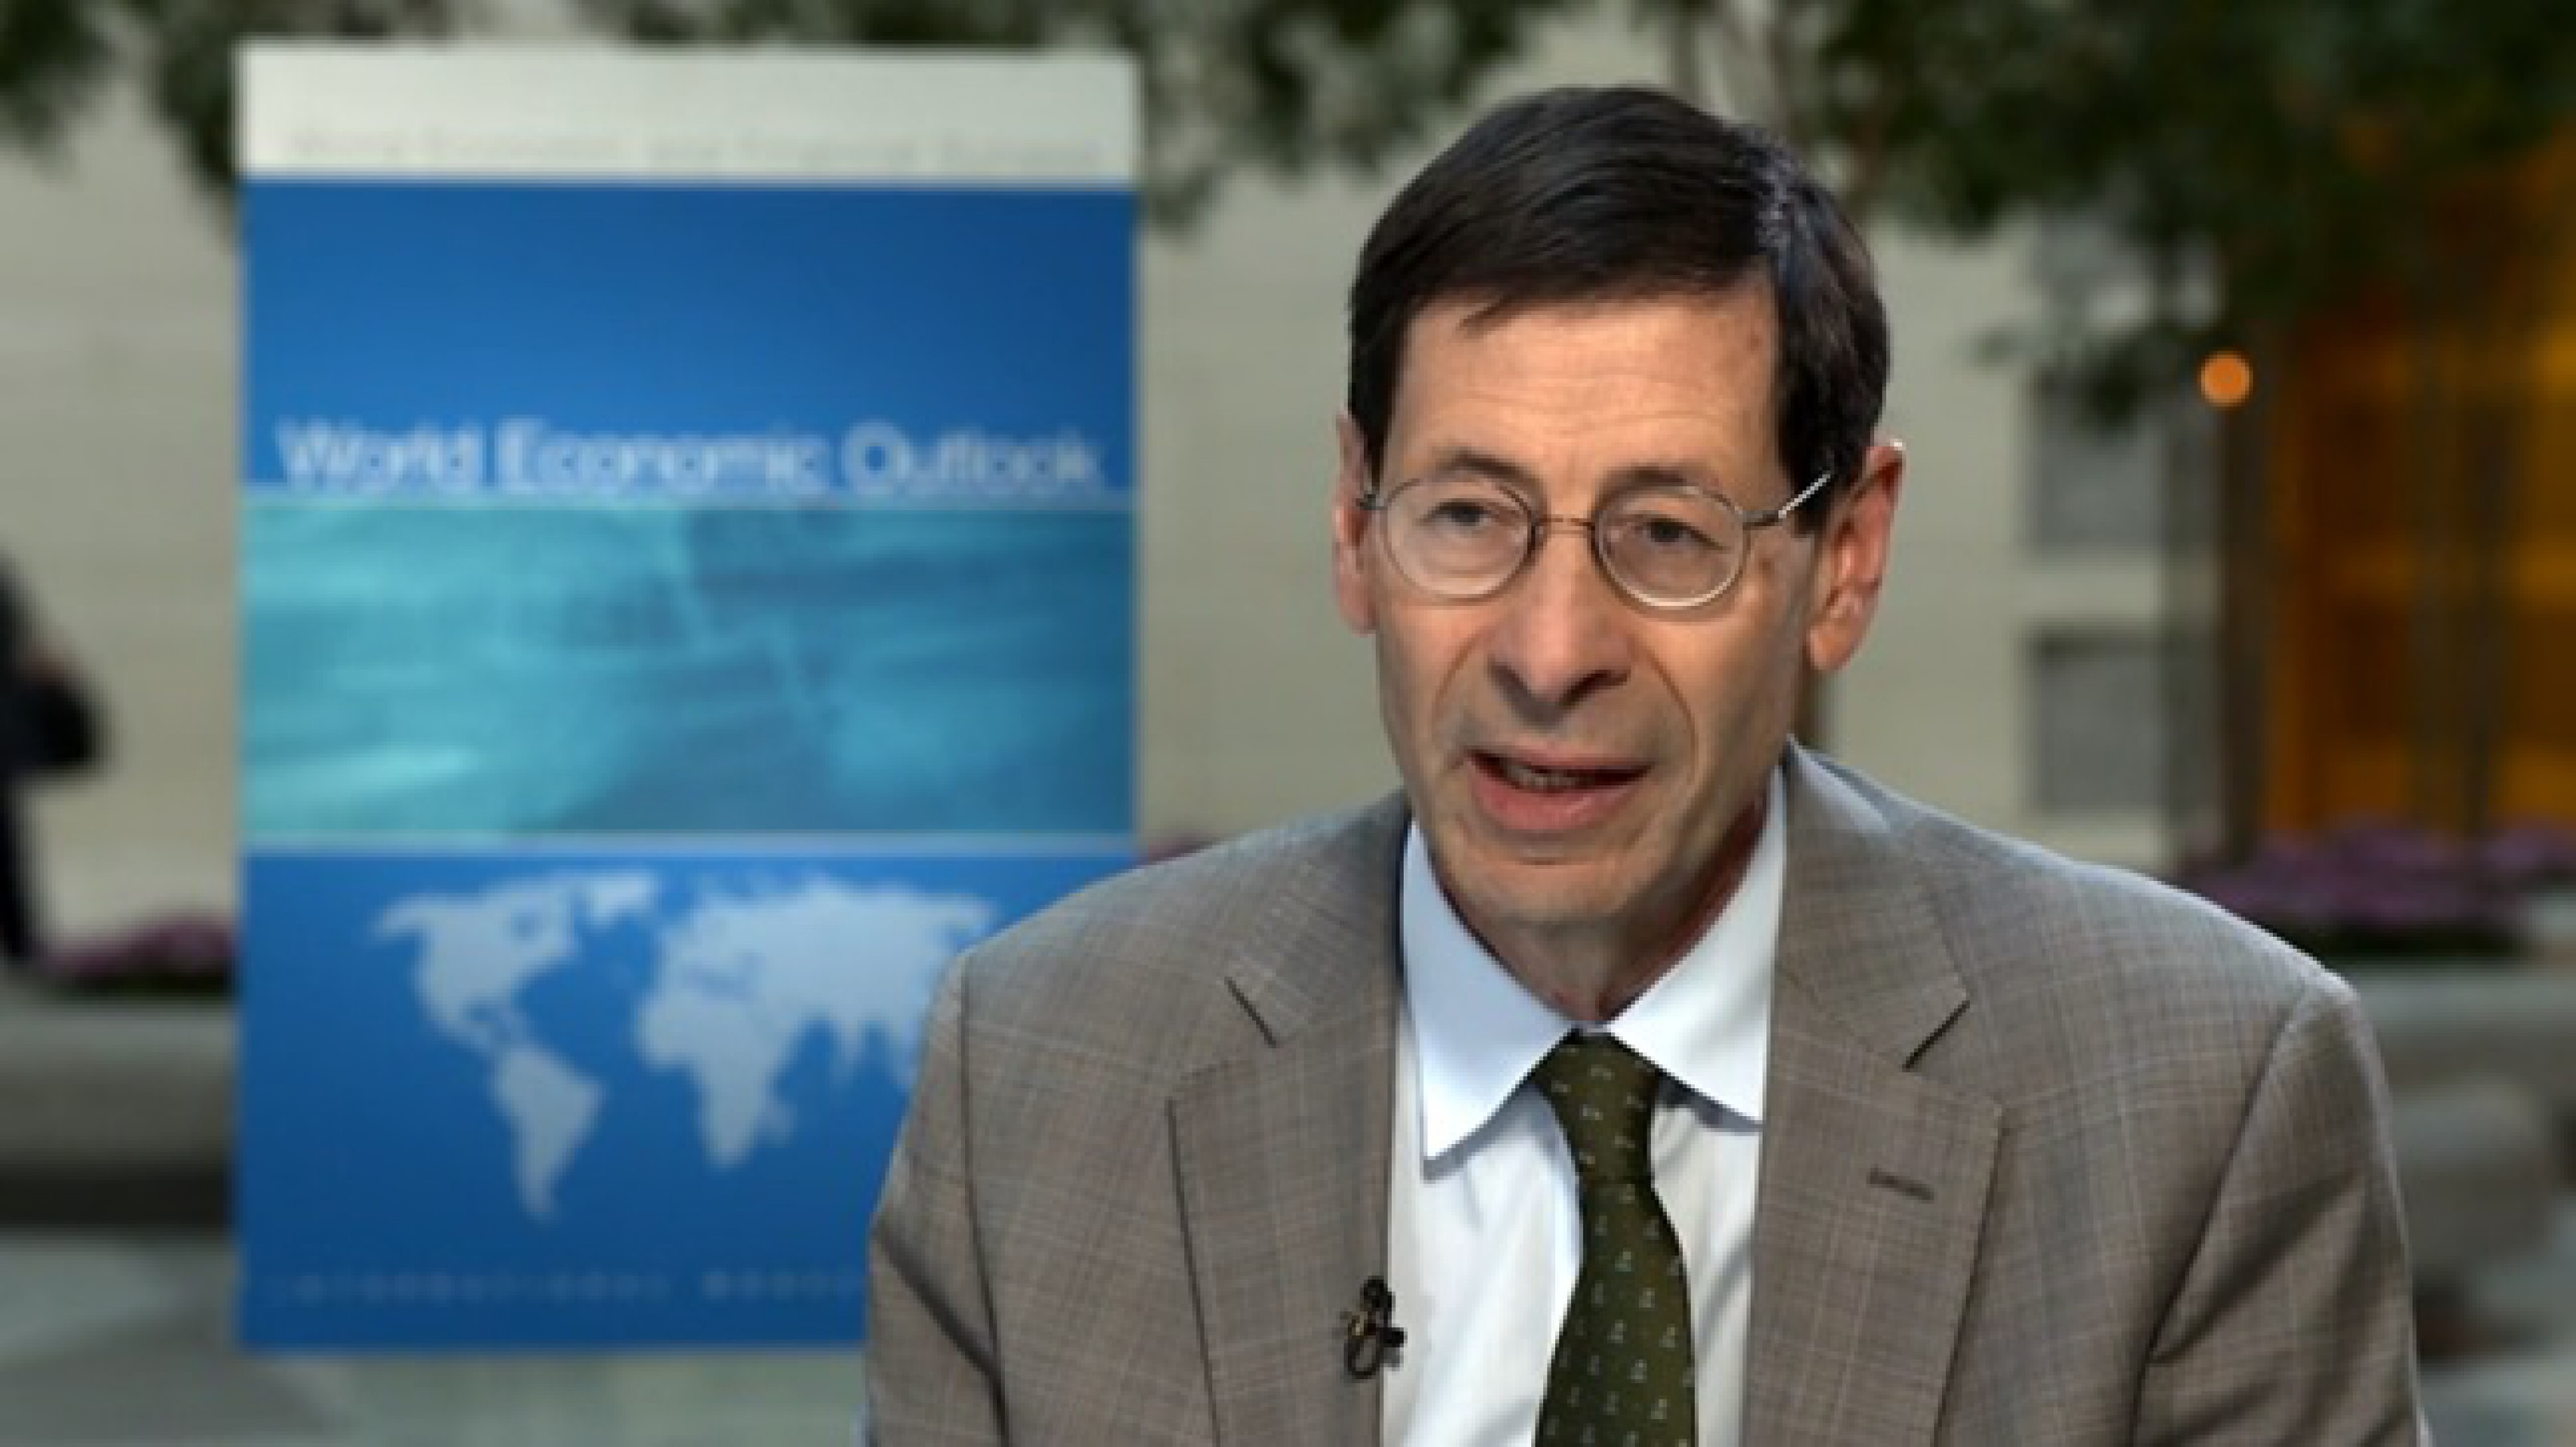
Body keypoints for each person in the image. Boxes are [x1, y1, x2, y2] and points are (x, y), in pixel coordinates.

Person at [867, 86, 2422, 1443]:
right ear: (1352, 523)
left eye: (1666, 536)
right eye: (1466, 516)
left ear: (1843, 559)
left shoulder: (2198, 1097)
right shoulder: (1041, 1074)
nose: (1549, 652)